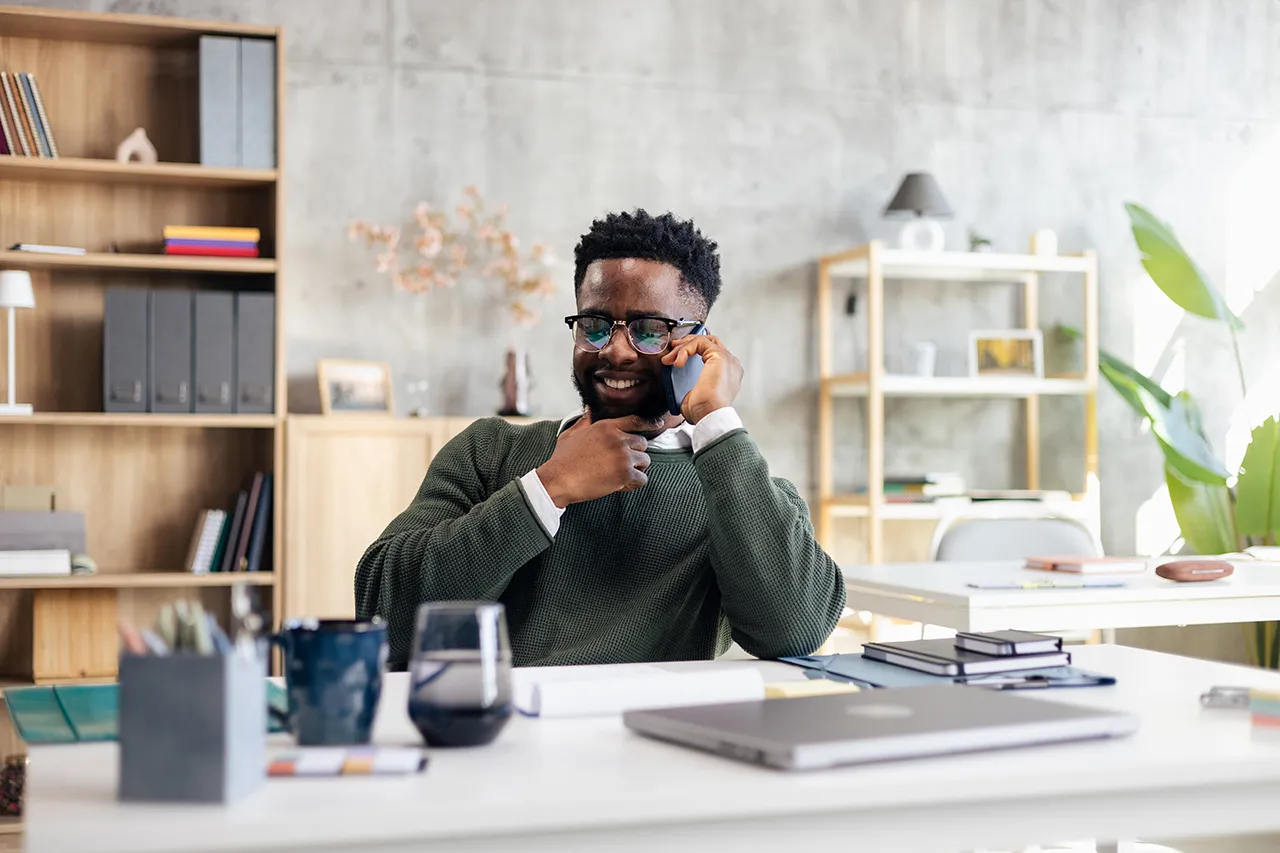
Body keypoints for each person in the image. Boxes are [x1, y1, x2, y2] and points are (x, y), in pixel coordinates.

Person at [355, 210, 845, 668]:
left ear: (700, 343)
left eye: (650, 330)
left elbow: (794, 630)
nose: (615, 350)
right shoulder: (490, 450)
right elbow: (381, 612)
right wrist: (548, 488)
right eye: (594, 325)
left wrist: (716, 417)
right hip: (498, 740)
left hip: (656, 751)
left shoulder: (738, 486)